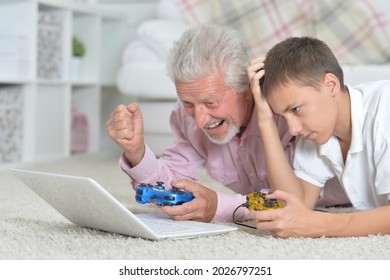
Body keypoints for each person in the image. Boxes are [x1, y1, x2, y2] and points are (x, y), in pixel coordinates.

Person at [107, 24, 347, 223]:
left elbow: (286, 201)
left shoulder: (290, 115)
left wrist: (220, 206)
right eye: (187, 102)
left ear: (245, 89)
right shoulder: (185, 117)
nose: (199, 120)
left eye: (211, 102)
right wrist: (137, 153)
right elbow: (174, 186)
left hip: (350, 198)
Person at [247, 36, 390, 238]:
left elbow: (307, 220)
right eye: (282, 116)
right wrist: (265, 121)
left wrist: (321, 224)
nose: (293, 129)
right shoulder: (317, 130)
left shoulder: (385, 109)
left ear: (330, 85)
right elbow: (293, 206)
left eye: (296, 109)